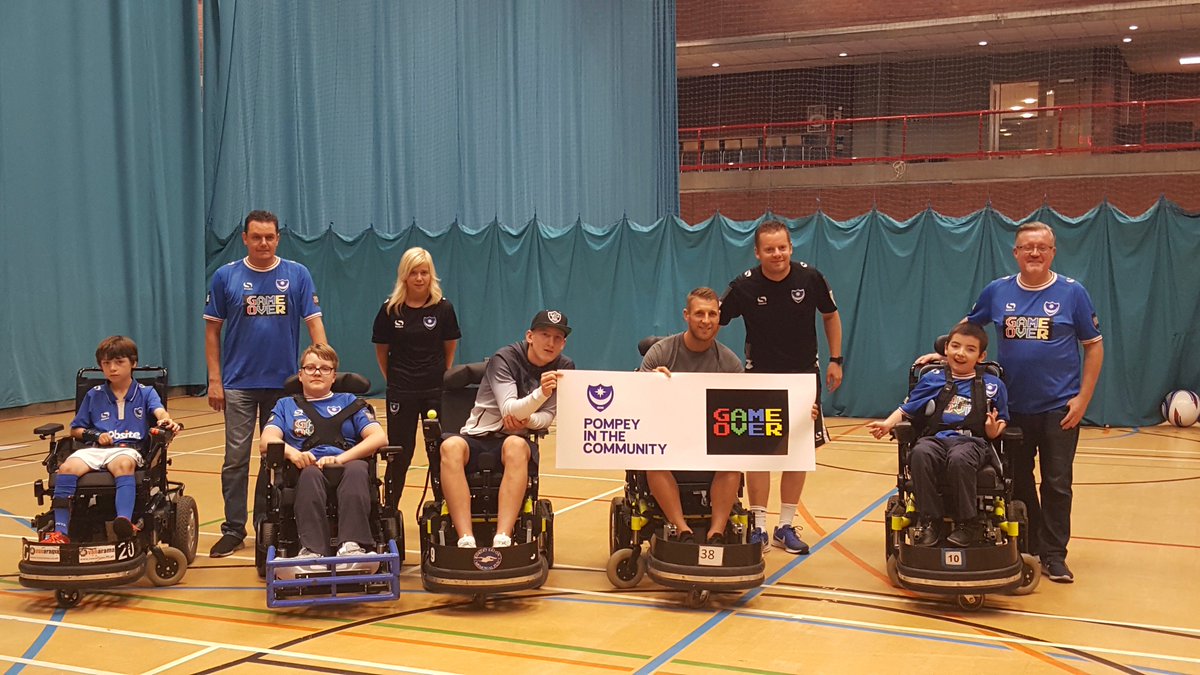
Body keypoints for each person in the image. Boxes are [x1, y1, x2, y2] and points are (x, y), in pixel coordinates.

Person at [964, 221, 1102, 582]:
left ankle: (1055, 555)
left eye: (1042, 247)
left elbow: (1093, 346)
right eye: (1028, 247)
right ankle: (1033, 543)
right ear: (1016, 253)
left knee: (1057, 483)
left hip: (1060, 409)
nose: (1035, 253)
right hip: (1011, 409)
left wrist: (1083, 399)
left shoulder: (1073, 293)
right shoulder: (997, 291)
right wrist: (944, 353)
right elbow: (970, 330)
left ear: (1053, 252)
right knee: (1016, 479)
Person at [204, 210, 326, 558]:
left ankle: (266, 525)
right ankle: (233, 528)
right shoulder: (226, 276)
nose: (263, 243)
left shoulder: (297, 274)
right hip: (238, 385)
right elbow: (212, 332)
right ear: (245, 238)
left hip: (284, 387)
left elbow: (314, 324)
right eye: (256, 237)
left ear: (278, 239)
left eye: (269, 237)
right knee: (235, 460)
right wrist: (215, 380)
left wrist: (323, 365)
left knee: (274, 458)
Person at [719, 220, 843, 555]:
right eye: (770, 249)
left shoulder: (810, 278)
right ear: (757, 252)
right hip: (759, 379)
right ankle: (758, 527)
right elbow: (713, 320)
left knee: (797, 454)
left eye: (782, 247)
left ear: (791, 248)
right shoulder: (743, 285)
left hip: (803, 379)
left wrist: (836, 359)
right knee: (759, 453)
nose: (777, 254)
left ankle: (785, 527)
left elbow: (830, 315)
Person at [439, 310, 575, 548]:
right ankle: (465, 537)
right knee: (449, 446)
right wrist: (541, 393)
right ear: (530, 336)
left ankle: (503, 536)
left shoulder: (564, 367)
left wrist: (527, 421)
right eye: (545, 335)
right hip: (476, 436)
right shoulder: (505, 358)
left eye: (557, 338)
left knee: (515, 445)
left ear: (563, 343)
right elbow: (509, 409)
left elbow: (546, 418)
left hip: (514, 440)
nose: (550, 343)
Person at [867, 323, 1009, 547]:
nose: (961, 353)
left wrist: (991, 428)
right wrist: (887, 424)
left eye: (970, 349)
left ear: (981, 356)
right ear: (946, 349)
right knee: (920, 453)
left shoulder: (993, 384)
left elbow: (998, 427)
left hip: (972, 441)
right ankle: (930, 520)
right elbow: (906, 409)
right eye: (955, 346)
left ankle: (968, 523)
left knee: (959, 459)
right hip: (936, 438)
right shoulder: (932, 378)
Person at [43, 336, 181, 544]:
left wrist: (166, 420)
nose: (112, 368)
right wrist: (95, 436)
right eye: (106, 363)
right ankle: (60, 533)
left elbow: (160, 412)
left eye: (119, 362)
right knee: (66, 468)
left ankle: (124, 521)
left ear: (133, 363)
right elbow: (76, 430)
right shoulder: (94, 394)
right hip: (95, 449)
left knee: (123, 464)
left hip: (128, 449)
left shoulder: (146, 392)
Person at [260, 344, 386, 566]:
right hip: (305, 468)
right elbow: (266, 440)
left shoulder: (350, 402)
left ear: (333, 376)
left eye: (325, 368)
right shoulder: (285, 405)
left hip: (347, 464)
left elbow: (378, 438)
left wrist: (340, 459)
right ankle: (312, 551)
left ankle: (351, 547)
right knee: (309, 474)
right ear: (300, 375)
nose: (317, 372)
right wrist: (294, 454)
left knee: (358, 469)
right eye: (310, 368)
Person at [638, 288, 744, 544]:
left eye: (712, 314)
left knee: (733, 461)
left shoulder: (730, 363)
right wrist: (650, 383)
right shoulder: (661, 353)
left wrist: (798, 409)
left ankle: (716, 532)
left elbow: (746, 408)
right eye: (699, 314)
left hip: (711, 440)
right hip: (667, 438)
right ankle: (682, 529)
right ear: (686, 315)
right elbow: (636, 398)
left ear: (719, 317)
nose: (706, 321)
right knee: (654, 459)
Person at [371, 247, 460, 506]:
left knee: (439, 451)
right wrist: (396, 380)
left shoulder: (443, 308)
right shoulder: (390, 310)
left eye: (424, 272)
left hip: (435, 390)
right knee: (400, 452)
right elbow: (382, 351)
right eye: (413, 273)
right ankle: (389, 509)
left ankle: (445, 507)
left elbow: (449, 346)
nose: (419, 278)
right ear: (404, 276)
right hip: (401, 390)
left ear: (431, 275)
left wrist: (438, 376)